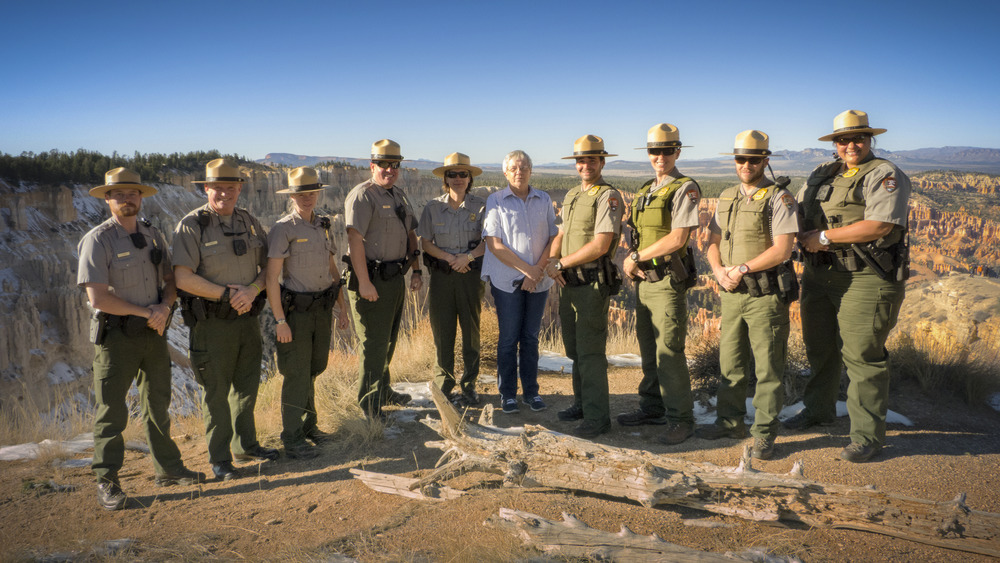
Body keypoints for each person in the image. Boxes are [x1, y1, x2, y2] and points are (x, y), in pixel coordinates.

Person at [787, 110, 910, 463]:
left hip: (865, 278)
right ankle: (818, 411)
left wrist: (824, 236)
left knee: (862, 356)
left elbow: (879, 225)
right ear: (835, 144)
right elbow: (798, 212)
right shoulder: (820, 174)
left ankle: (867, 437)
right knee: (820, 350)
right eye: (843, 140)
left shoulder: (884, 174)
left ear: (870, 140)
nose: (851, 145)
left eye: (858, 138)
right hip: (819, 275)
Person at [78, 168, 203, 510]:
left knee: (158, 403)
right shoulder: (98, 240)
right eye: (120, 194)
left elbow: (170, 278)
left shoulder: (152, 235)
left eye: (133, 193)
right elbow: (98, 299)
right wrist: (149, 312)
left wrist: (165, 305)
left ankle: (168, 468)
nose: (127, 199)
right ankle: (107, 481)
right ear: (108, 199)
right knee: (112, 411)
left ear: (141, 197)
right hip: (117, 338)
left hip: (154, 333)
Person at [173, 158, 277, 481]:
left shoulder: (249, 222)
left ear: (240, 189)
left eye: (231, 187)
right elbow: (182, 277)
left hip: (247, 318)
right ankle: (220, 459)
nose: (224, 193)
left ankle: (246, 445)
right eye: (217, 187)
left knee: (247, 385)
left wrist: (253, 289)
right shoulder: (192, 226)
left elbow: (268, 268)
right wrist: (224, 295)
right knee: (216, 392)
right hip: (212, 324)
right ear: (206, 188)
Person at [700, 130, 799, 460]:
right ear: (734, 160)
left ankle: (765, 432)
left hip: (764, 296)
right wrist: (717, 271)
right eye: (741, 159)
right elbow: (711, 240)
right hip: (731, 293)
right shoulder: (726, 196)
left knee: (768, 366)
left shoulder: (778, 198)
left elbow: (783, 250)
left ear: (765, 161)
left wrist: (740, 269)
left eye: (754, 159)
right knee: (730, 362)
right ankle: (729, 423)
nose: (746, 164)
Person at [618, 123, 701, 445]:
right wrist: (634, 259)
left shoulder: (684, 188)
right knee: (649, 350)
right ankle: (653, 408)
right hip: (645, 281)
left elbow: (678, 238)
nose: (660, 156)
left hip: (666, 280)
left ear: (677, 152)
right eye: (655, 151)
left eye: (667, 151)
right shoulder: (646, 189)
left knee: (670, 351)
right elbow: (638, 232)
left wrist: (636, 257)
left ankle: (682, 419)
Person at [266, 167, 350, 460]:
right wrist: (280, 320)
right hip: (296, 314)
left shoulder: (323, 225)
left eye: (312, 192)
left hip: (322, 309)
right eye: (301, 194)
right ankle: (292, 437)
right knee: (296, 374)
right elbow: (271, 278)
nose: (307, 198)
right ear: (292, 196)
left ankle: (310, 427)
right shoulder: (283, 229)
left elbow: (332, 270)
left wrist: (343, 307)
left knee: (314, 369)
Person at [548, 135, 624, 439]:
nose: (585, 165)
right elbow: (561, 233)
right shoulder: (571, 195)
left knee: (591, 352)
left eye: (592, 159)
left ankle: (597, 417)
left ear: (602, 162)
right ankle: (581, 404)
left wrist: (561, 265)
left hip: (592, 283)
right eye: (581, 160)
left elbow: (601, 244)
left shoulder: (608, 196)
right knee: (575, 349)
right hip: (569, 283)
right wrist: (554, 259)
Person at [344, 139, 422, 419]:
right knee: (374, 344)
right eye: (384, 165)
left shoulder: (397, 195)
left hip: (394, 277)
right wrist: (364, 283)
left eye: (395, 165)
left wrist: (416, 269)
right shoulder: (363, 196)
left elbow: (411, 232)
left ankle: (384, 390)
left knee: (389, 340)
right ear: (372, 165)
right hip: (371, 279)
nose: (390, 170)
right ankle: (369, 404)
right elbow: (355, 240)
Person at [482, 150, 558, 414]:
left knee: (530, 338)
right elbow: (494, 244)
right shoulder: (496, 200)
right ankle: (507, 394)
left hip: (539, 281)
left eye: (524, 167)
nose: (519, 171)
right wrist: (528, 271)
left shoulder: (544, 199)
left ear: (531, 171)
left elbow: (553, 238)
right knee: (508, 339)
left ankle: (531, 392)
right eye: (514, 167)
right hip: (508, 282)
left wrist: (537, 271)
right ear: (505, 172)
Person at [418, 153, 487, 407]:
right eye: (453, 174)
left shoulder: (481, 206)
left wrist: (466, 258)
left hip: (470, 277)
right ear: (445, 179)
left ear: (470, 179)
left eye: (463, 174)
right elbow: (425, 242)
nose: (458, 179)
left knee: (471, 333)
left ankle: (469, 386)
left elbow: (488, 242)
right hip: (442, 278)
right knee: (442, 332)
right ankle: (444, 385)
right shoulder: (432, 207)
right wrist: (450, 258)